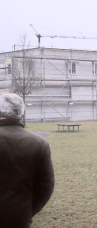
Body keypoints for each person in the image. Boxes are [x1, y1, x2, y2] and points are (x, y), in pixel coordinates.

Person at [0, 93, 55, 228]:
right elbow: (45, 187)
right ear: (22, 114)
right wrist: (26, 211)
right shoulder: (40, 143)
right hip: (19, 218)